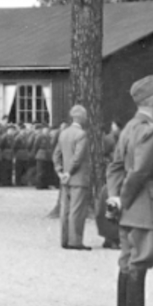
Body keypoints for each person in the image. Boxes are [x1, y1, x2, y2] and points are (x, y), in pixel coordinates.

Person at [106, 77, 153, 306]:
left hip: (127, 206)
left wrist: (115, 198)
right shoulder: (149, 131)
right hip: (143, 203)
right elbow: (140, 171)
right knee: (141, 258)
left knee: (127, 259)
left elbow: (115, 167)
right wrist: (125, 198)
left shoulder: (129, 128)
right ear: (152, 101)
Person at [53, 105, 91, 251]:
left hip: (64, 179)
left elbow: (56, 155)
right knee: (77, 210)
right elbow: (78, 157)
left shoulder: (63, 133)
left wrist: (60, 171)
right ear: (82, 118)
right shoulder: (81, 134)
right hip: (78, 178)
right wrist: (69, 172)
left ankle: (65, 239)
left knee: (65, 210)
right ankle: (75, 241)